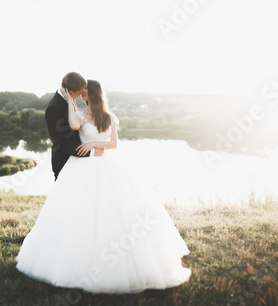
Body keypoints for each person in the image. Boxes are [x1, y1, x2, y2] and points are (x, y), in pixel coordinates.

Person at [16, 79, 191, 294]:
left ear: (94, 94)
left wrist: (93, 144)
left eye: (85, 92)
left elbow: (114, 144)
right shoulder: (79, 115)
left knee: (117, 209)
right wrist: (70, 103)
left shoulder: (109, 116)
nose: (82, 94)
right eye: (80, 92)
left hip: (105, 162)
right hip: (82, 165)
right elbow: (72, 126)